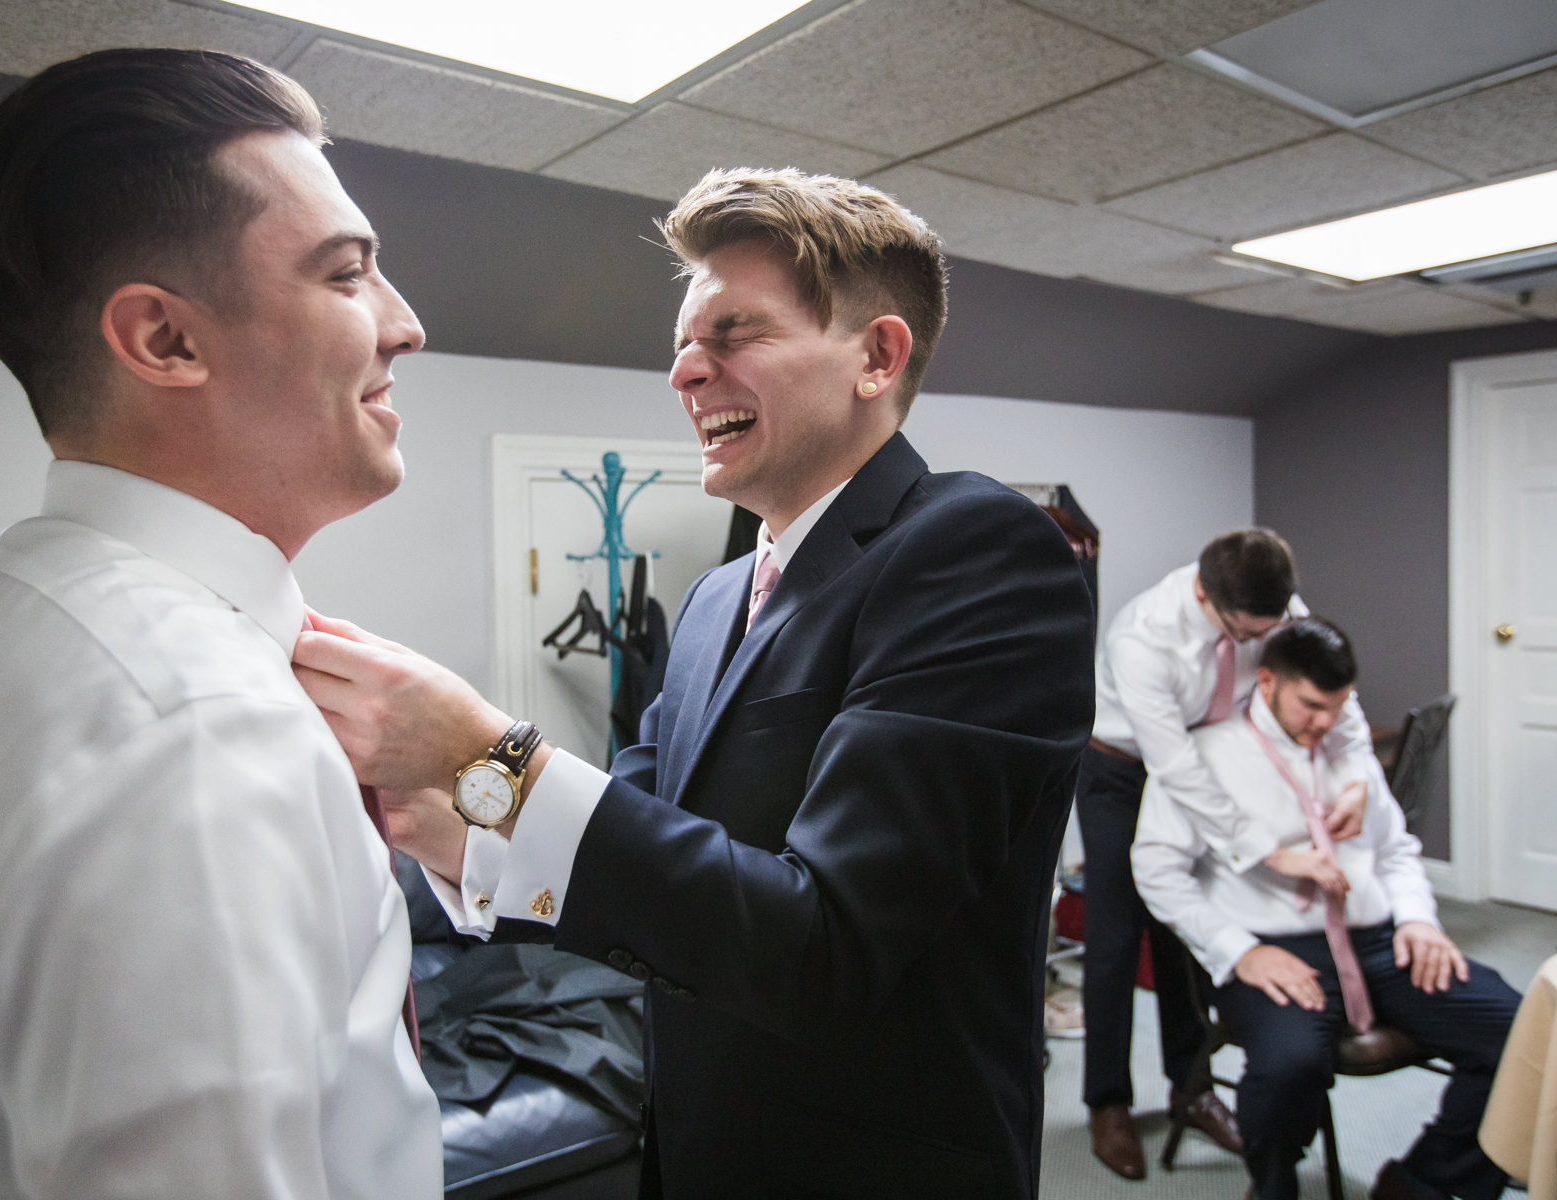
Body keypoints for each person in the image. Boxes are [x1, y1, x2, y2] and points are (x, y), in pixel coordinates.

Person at [291, 168, 1097, 1198]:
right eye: (681, 345)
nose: (685, 372)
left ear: (875, 356)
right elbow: (645, 850)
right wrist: (452, 813)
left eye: (733, 335)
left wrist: (482, 753)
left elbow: (827, 947)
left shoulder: (977, 550)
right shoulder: (717, 600)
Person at [0, 49, 442, 1198]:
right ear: (165, 341)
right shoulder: (194, 730)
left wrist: (481, 779)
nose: (406, 325)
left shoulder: (22, 619)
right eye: (348, 274)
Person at [1132, 618, 1522, 1200]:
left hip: (1377, 941)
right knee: (1290, 1067)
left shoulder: (1349, 752)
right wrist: (1243, 952)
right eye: (1312, 706)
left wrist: (1418, 917)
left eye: (1338, 707)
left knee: (1524, 1033)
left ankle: (1422, 1181)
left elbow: (1396, 850)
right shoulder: (1203, 758)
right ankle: (1273, 1185)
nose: (1326, 722)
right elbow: (1157, 871)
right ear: (1266, 682)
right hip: (1271, 946)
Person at [1078, 529, 1372, 1177]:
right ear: (1206, 595)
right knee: (1116, 936)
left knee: (1186, 932)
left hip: (1212, 758)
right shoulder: (1142, 637)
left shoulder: (1279, 609)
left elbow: (1325, 688)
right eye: (1244, 634)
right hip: (1122, 772)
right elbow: (1175, 768)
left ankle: (1193, 1088)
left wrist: (1357, 781)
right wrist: (1267, 850)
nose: (1253, 643)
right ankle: (1108, 1103)